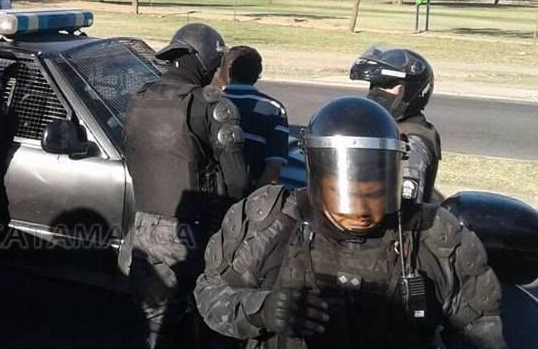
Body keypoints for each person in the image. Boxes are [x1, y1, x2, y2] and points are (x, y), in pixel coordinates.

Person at [195, 96, 504, 349]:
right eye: (344, 194)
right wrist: (262, 310)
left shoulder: (436, 238)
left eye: (375, 194)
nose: (361, 210)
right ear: (317, 178)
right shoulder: (272, 221)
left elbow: (479, 332)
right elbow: (211, 296)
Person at [120, 23, 249, 349]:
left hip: (143, 227)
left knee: (155, 322)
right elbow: (238, 182)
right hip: (195, 234)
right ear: (206, 60)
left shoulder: (139, 98)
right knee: (209, 320)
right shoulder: (211, 105)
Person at [350, 44, 441, 203]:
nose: (378, 92)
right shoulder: (387, 127)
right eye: (376, 85)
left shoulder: (413, 143)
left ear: (412, 91)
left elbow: (405, 207)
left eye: (389, 86)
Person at [218, 46, 290, 188]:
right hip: (250, 198)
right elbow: (274, 168)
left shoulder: (210, 103)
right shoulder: (274, 109)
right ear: (258, 73)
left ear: (227, 70)